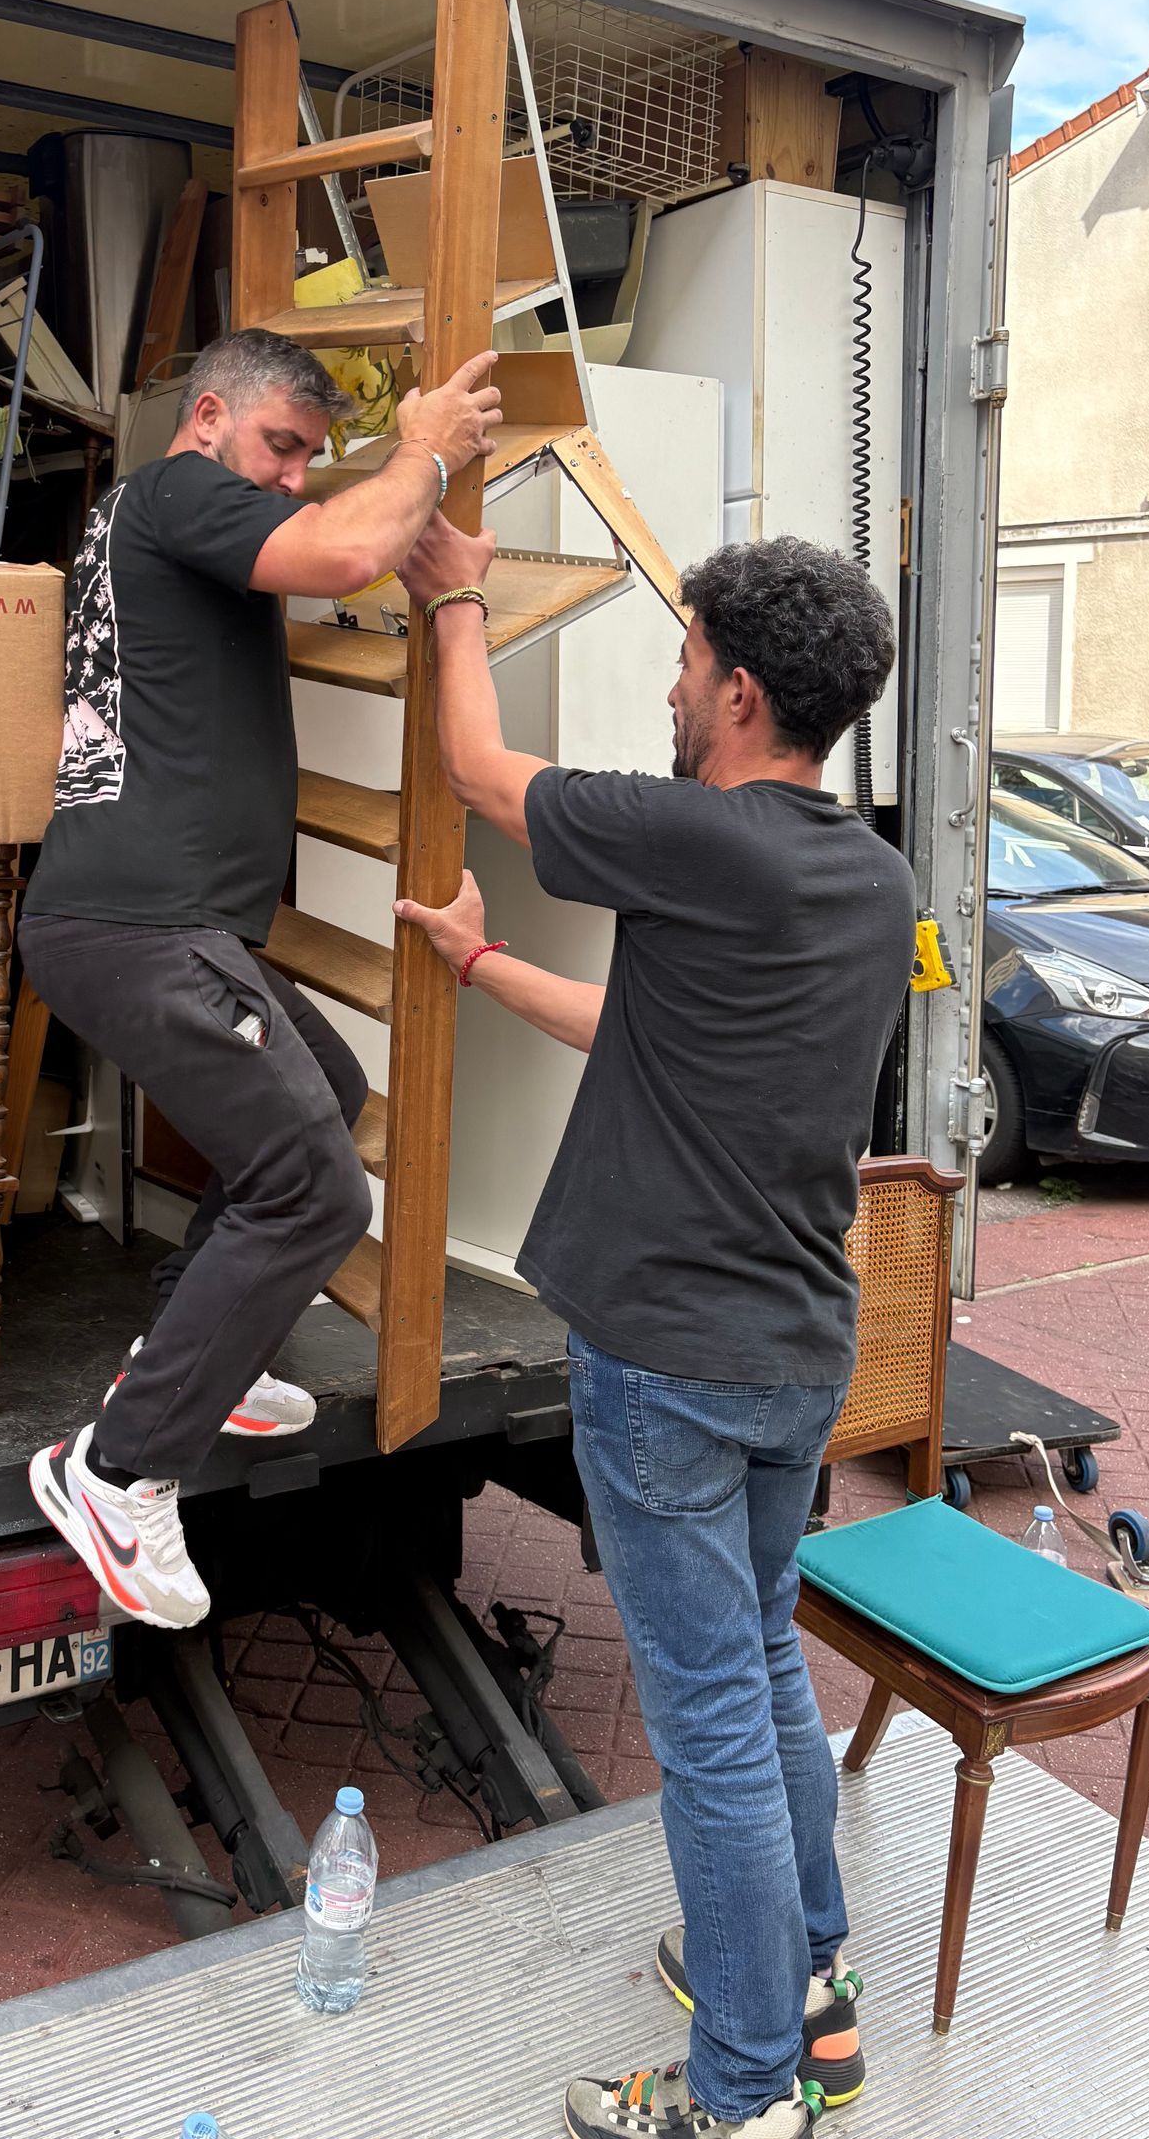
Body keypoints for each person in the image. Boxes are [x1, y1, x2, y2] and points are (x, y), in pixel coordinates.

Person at [393, 520, 913, 2139]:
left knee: (709, 1740)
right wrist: (481, 965)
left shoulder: (700, 836)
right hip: (789, 1352)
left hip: (671, 1370)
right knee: (758, 1669)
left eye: (685, 660)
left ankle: (747, 2090)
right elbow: (641, 1028)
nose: (669, 685)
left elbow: (479, 765)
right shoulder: (865, 874)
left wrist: (453, 585)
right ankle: (804, 1980)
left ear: (742, 695)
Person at [22, 325, 501, 1631]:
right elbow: (348, 547)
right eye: (282, 448)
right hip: (138, 921)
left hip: (166, 926)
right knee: (314, 1186)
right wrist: (420, 454)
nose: (290, 478)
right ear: (209, 415)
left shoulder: (179, 521)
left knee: (323, 1091)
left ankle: (194, 1360)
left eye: (305, 457)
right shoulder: (178, 491)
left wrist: (437, 559)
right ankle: (118, 1470)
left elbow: (344, 544)